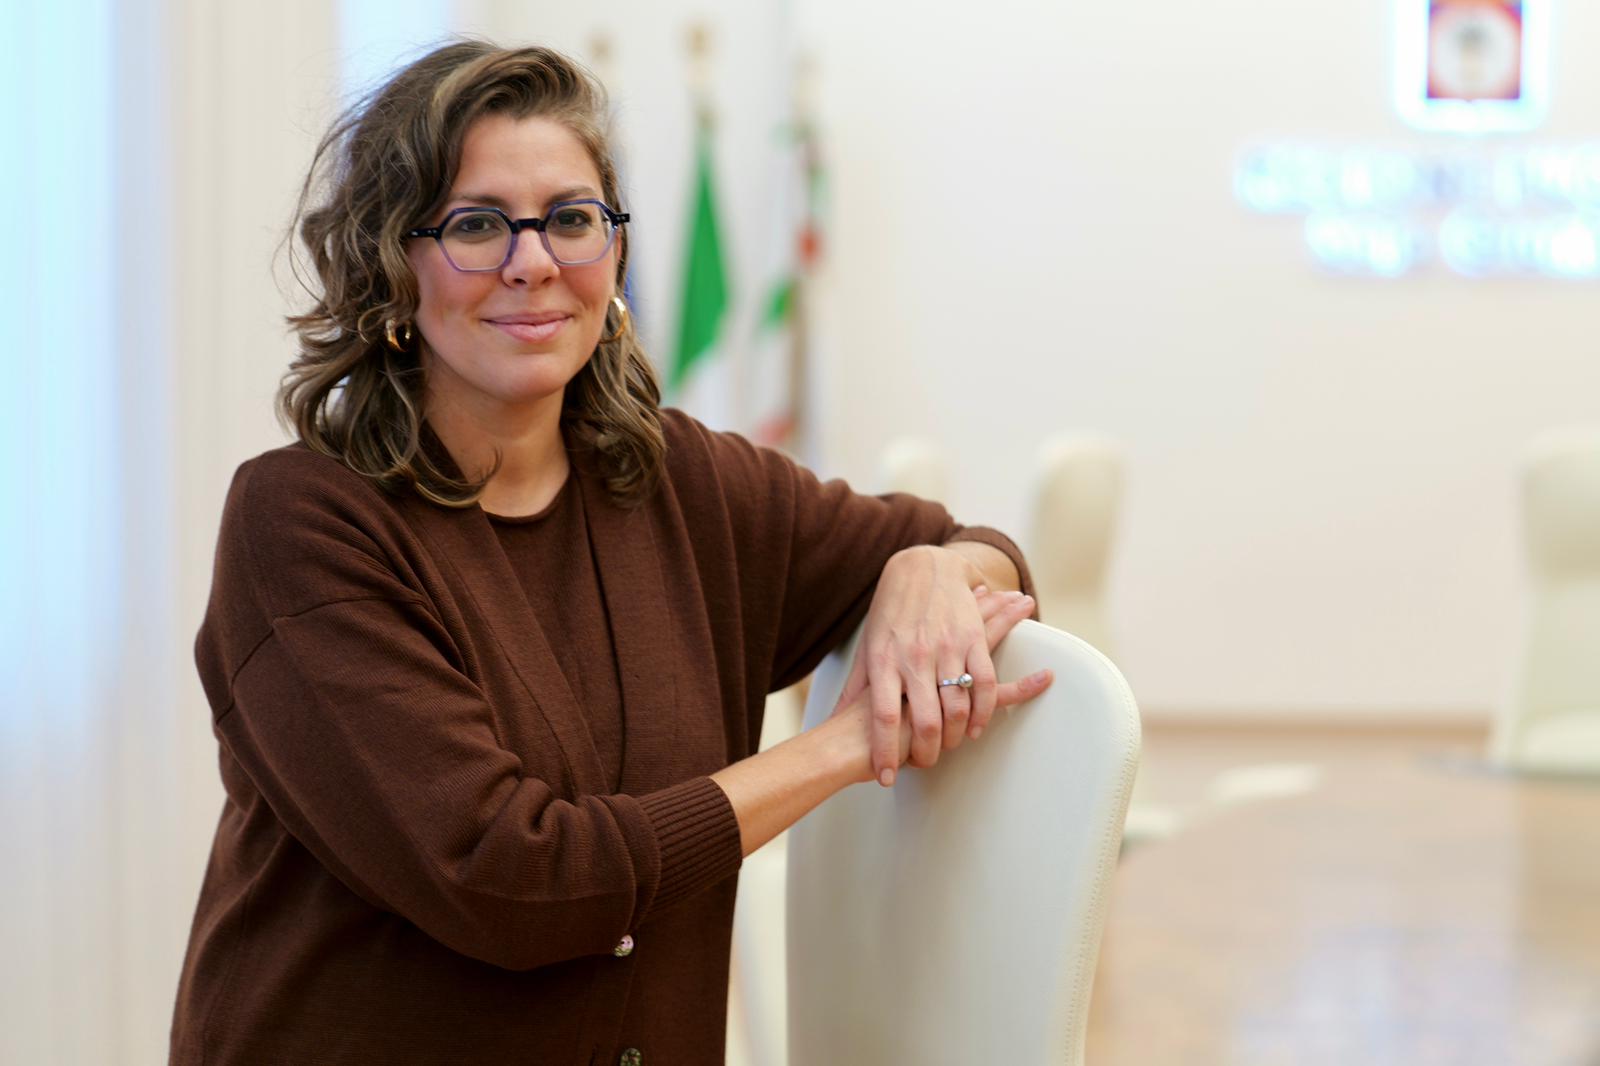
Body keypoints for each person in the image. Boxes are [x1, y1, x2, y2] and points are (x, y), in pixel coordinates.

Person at [169, 40, 1051, 1065]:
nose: (534, 261)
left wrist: (932, 568)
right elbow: (511, 881)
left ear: (616, 253)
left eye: (571, 218)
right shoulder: (301, 524)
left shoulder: (685, 483)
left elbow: (982, 551)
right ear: (390, 266)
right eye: (476, 224)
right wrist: (842, 747)